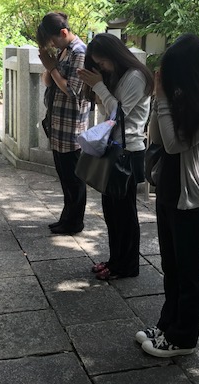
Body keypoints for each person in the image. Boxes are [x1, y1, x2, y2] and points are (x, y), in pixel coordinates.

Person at [137, 33, 199, 357]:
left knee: (189, 274)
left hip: (191, 198)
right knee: (171, 266)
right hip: (169, 190)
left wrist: (162, 99)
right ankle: (166, 326)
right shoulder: (181, 97)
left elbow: (176, 144)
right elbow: (158, 138)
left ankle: (184, 338)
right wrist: (158, 99)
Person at [77, 33, 153, 280]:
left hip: (128, 152)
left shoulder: (135, 77)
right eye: (98, 64)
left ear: (115, 55)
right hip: (115, 149)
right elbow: (109, 111)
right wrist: (99, 86)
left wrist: (99, 85)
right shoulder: (119, 77)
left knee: (125, 214)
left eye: (103, 62)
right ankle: (115, 260)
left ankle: (127, 266)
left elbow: (118, 113)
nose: (102, 67)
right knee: (112, 211)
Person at [37, 12, 90, 235]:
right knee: (64, 176)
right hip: (58, 122)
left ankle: (75, 221)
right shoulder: (64, 50)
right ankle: (66, 218)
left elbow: (73, 90)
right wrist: (50, 64)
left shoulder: (80, 52)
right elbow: (49, 82)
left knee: (74, 178)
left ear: (63, 32)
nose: (53, 45)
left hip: (72, 126)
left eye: (53, 40)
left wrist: (53, 67)